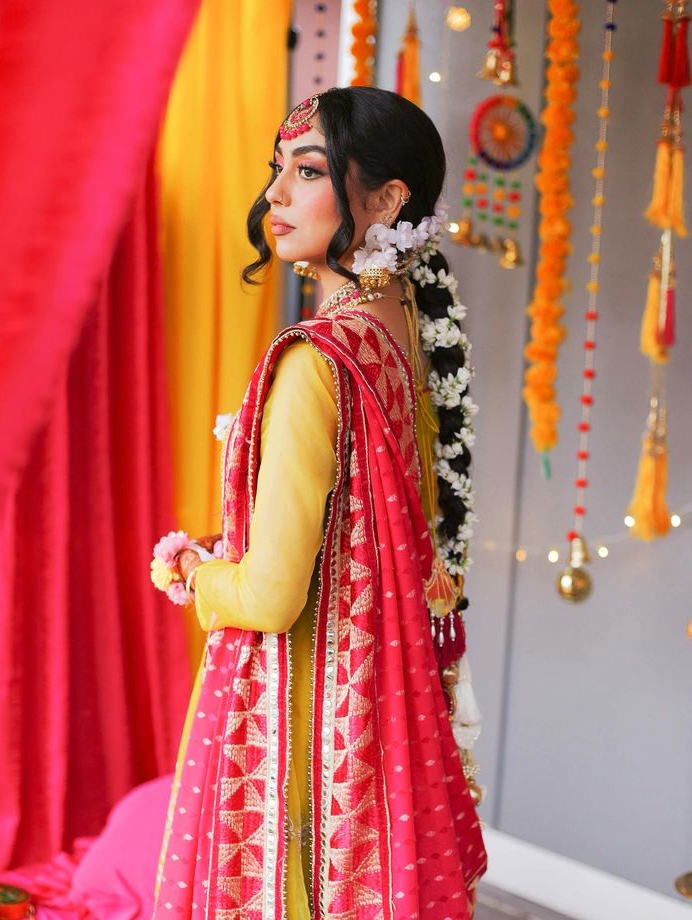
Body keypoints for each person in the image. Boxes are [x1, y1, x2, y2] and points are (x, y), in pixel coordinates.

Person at [151, 86, 487, 920]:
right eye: (277, 171)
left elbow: (270, 597)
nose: (273, 196)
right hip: (376, 706)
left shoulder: (314, 362)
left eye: (306, 171)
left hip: (306, 711)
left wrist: (198, 575)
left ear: (386, 200)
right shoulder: (400, 329)